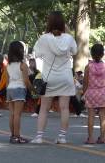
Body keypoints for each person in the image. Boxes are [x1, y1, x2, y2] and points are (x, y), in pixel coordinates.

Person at [31, 11, 77, 144]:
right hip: (66, 77)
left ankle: (39, 137)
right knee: (64, 108)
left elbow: (38, 54)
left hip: (49, 77)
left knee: (44, 108)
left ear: (49, 23)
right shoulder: (68, 38)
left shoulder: (44, 38)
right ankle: (62, 137)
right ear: (63, 23)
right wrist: (68, 32)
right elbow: (75, 51)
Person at [6, 41, 33, 144]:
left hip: (10, 89)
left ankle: (12, 136)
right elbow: (26, 81)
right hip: (19, 89)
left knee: (12, 114)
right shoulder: (23, 65)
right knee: (17, 114)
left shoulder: (8, 66)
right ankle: (18, 137)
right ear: (20, 51)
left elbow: (7, 81)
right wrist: (33, 90)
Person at [83, 44, 105, 144]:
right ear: (103, 54)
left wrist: (84, 93)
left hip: (91, 92)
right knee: (102, 116)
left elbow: (85, 82)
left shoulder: (88, 67)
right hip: (102, 93)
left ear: (91, 54)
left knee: (91, 115)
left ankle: (90, 138)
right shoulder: (104, 66)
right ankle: (103, 137)